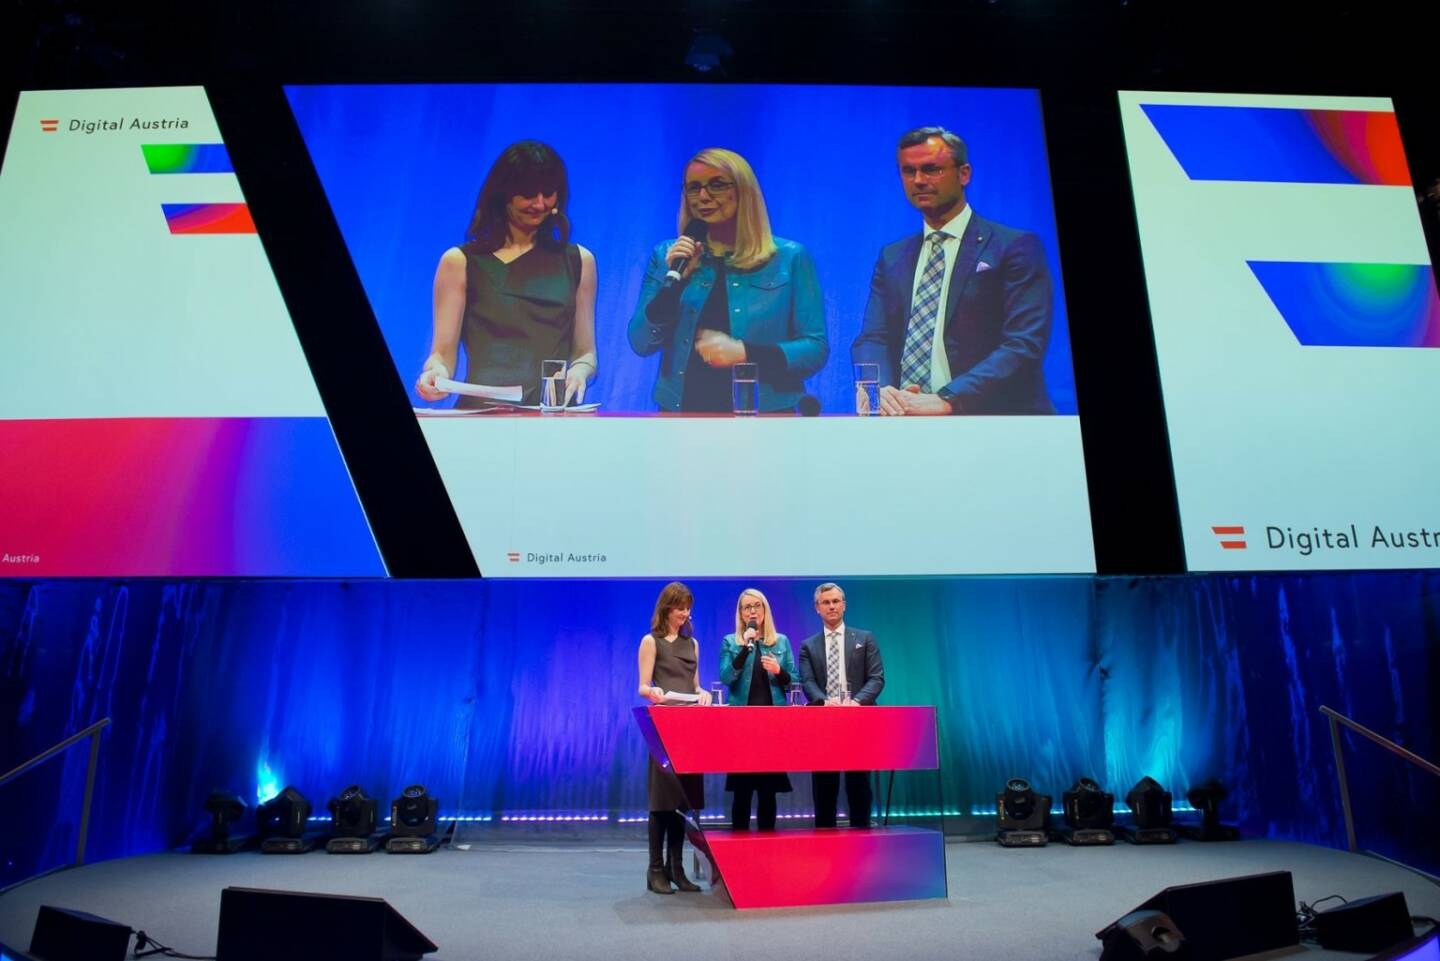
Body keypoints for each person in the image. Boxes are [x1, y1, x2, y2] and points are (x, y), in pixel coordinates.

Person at [852, 126, 1054, 416]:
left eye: (931, 169)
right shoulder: (893, 256)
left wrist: (949, 398)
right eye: (908, 171)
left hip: (996, 422)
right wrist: (881, 391)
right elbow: (873, 337)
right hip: (906, 419)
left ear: (964, 174)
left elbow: (1023, 344)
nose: (919, 180)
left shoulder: (1014, 247)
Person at [628, 148, 828, 412]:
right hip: (682, 417)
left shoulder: (790, 258)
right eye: (693, 187)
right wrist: (674, 284)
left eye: (717, 185)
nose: (703, 196)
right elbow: (640, 344)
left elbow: (815, 349)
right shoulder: (667, 256)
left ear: (744, 191)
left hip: (765, 418)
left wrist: (746, 353)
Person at [416, 140, 597, 408]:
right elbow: (441, 355)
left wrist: (580, 372)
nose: (539, 203)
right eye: (528, 193)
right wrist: (435, 374)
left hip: (549, 419)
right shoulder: (459, 262)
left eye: (548, 193)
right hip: (481, 418)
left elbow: (586, 353)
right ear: (503, 193)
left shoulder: (579, 261)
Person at [637, 581, 712, 894]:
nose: (684, 613)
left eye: (687, 608)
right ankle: (655, 870)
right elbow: (642, 686)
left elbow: (694, 686)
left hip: (690, 728)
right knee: (662, 800)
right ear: (667, 608)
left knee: (682, 802)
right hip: (664, 726)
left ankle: (676, 869)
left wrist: (704, 692)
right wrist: (652, 691)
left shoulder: (692, 644)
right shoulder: (650, 642)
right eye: (679, 607)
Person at [798, 582, 884, 828]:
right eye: (826, 602)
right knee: (825, 787)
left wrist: (855, 703)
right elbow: (807, 681)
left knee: (859, 785)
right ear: (817, 608)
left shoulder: (865, 638)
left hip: (858, 721)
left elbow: (877, 678)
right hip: (823, 723)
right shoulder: (808, 645)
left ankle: (862, 844)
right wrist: (825, 702)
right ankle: (825, 847)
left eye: (836, 601)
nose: (832, 606)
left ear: (844, 605)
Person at [718, 588, 797, 830]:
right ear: (741, 614)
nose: (752, 611)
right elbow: (725, 677)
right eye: (747, 607)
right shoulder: (731, 641)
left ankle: (767, 845)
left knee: (768, 791)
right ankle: (737, 848)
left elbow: (794, 680)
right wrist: (745, 648)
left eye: (757, 606)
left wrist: (778, 670)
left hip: (772, 726)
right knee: (741, 791)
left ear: (765, 610)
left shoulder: (780, 641)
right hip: (741, 726)